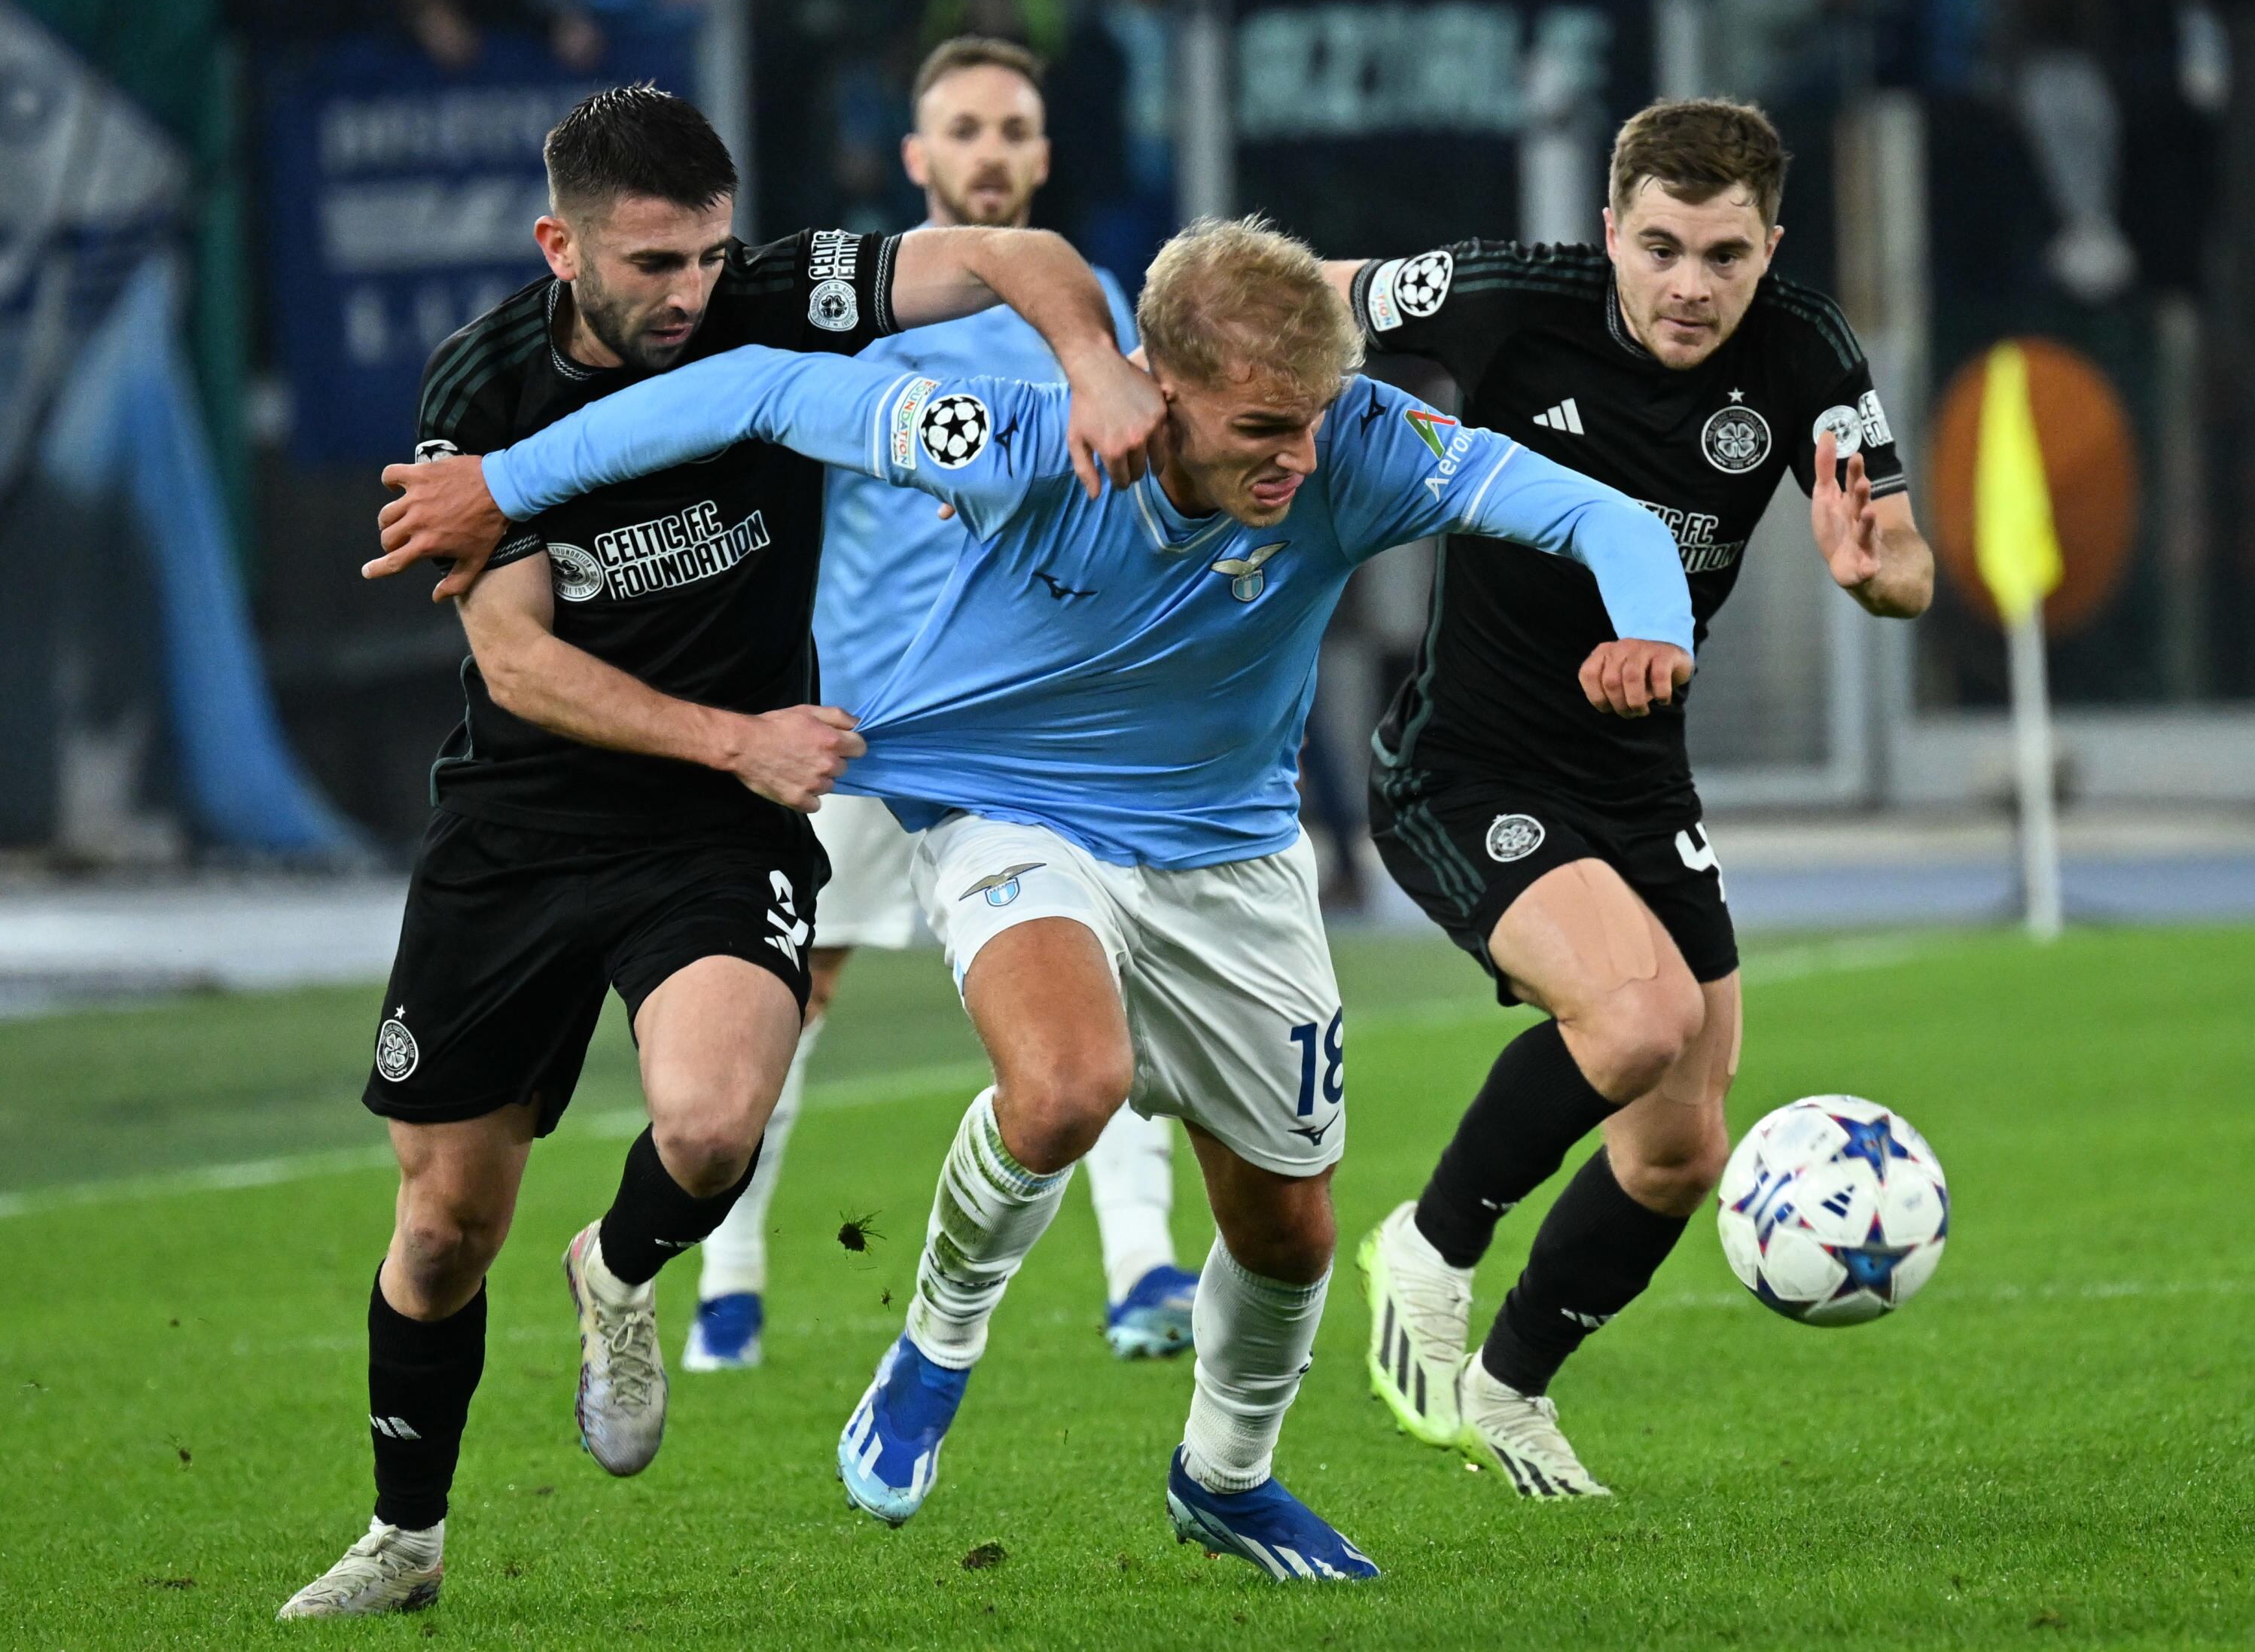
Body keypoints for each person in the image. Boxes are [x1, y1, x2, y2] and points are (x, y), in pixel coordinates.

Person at [370, 215, 1696, 1580]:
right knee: (1067, 1086)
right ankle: (936, 1344)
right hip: (1008, 809)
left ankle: (1226, 1479)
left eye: (1309, 421)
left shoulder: (1354, 444)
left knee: (1291, 1229)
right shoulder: (1010, 435)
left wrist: (1655, 621)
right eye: (1260, 427)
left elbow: (1598, 512)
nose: (1297, 458)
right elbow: (761, 386)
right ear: (1157, 387)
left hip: (1230, 851)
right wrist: (508, 483)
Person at [279, 83, 1158, 1620]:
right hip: (526, 819)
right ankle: (404, 1537)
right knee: (440, 1228)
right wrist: (734, 735)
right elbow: (519, 662)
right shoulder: (482, 390)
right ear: (563, 246)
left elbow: (1014, 254)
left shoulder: (778, 293)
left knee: (706, 1125)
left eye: (706, 257)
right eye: (652, 267)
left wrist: (1089, 365)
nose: (691, 295)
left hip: (711, 828)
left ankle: (619, 1270)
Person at [1321, 98, 1934, 1498]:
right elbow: (1322, 296)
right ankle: (1428, 1242)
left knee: (1680, 1148)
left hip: (1640, 774)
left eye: (1726, 255)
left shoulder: (1809, 352)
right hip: (1461, 767)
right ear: (1610, 232)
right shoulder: (1501, 300)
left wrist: (1867, 571)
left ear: (1770, 247)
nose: (1689, 286)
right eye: (1660, 247)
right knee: (1639, 1017)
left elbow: (1907, 565)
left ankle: (1509, 1391)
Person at [684, 35, 1201, 1378]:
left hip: (1033, 719)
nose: (988, 149)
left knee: (1103, 980)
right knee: (791, 986)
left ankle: (1144, 1269)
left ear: (1042, 152)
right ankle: (728, 1282)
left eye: (1011, 128)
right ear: (917, 158)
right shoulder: (859, 299)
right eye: (961, 128)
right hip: (861, 713)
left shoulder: (1089, 306)